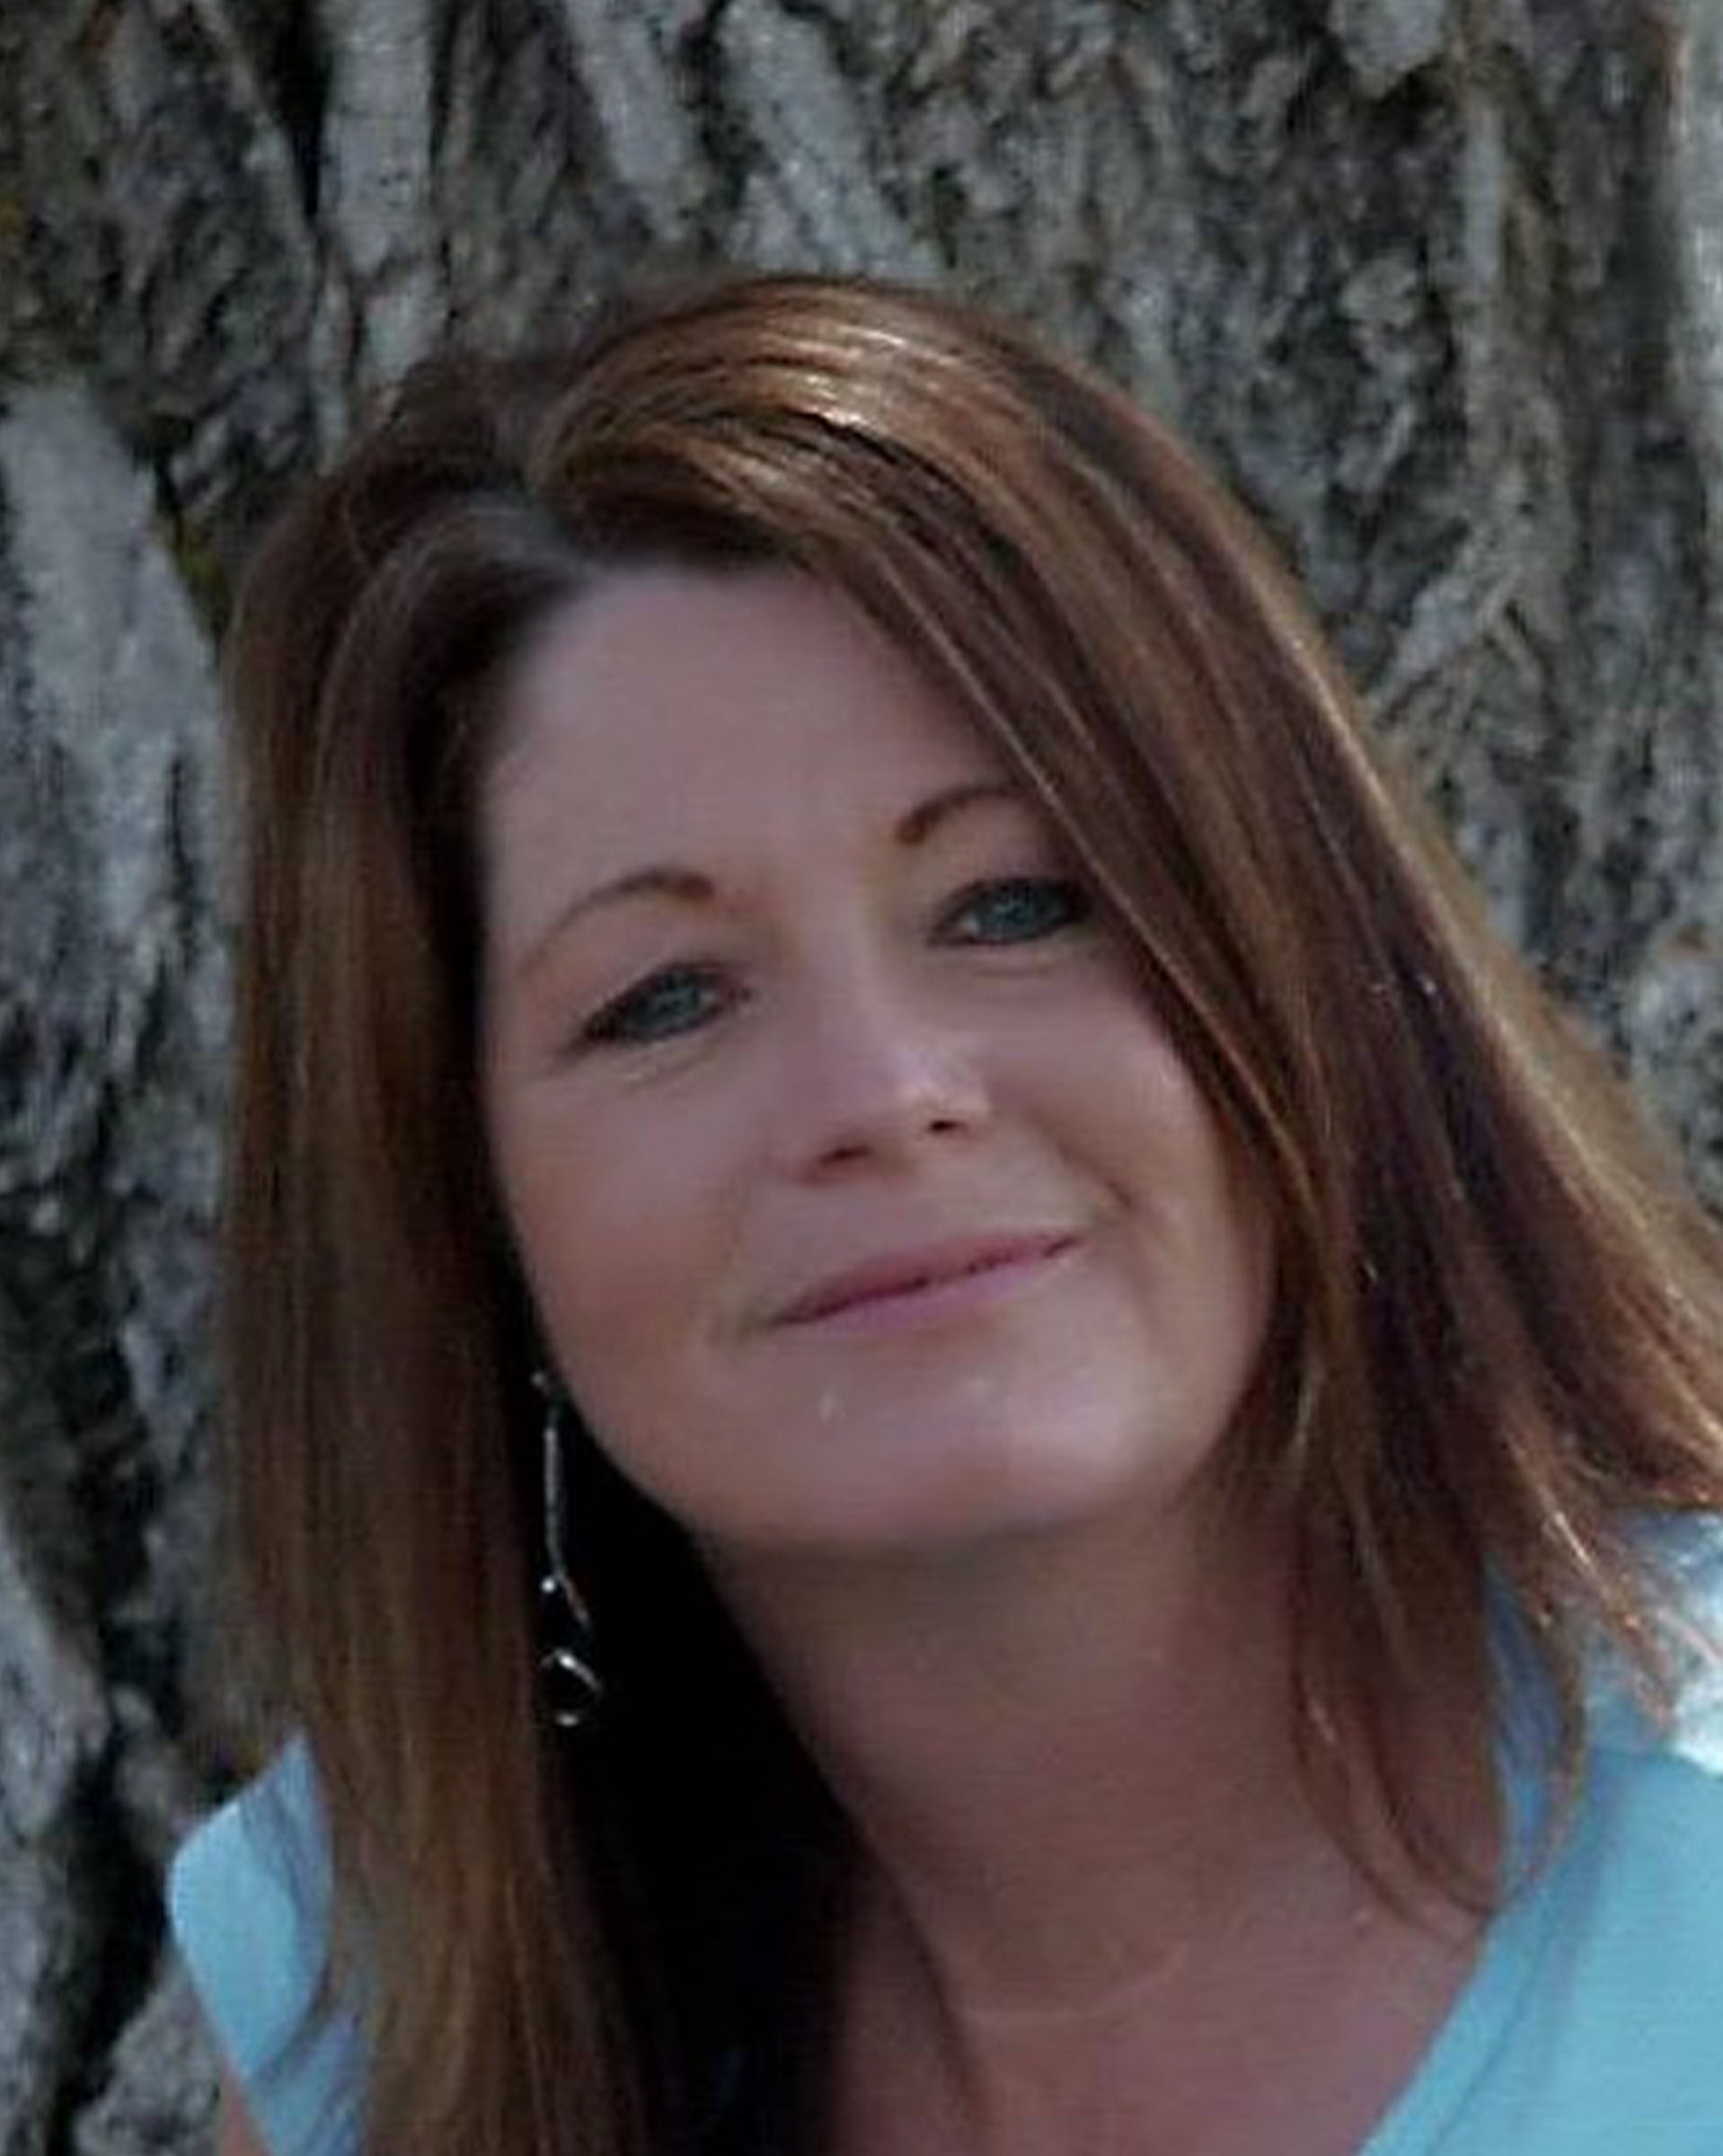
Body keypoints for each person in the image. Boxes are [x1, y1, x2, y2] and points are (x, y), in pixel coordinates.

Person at [167, 270, 1723, 2156]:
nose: (883, 1092)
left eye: (1011, 904)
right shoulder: (392, 1994)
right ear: (458, 1202)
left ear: (1298, 970)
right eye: (661, 999)